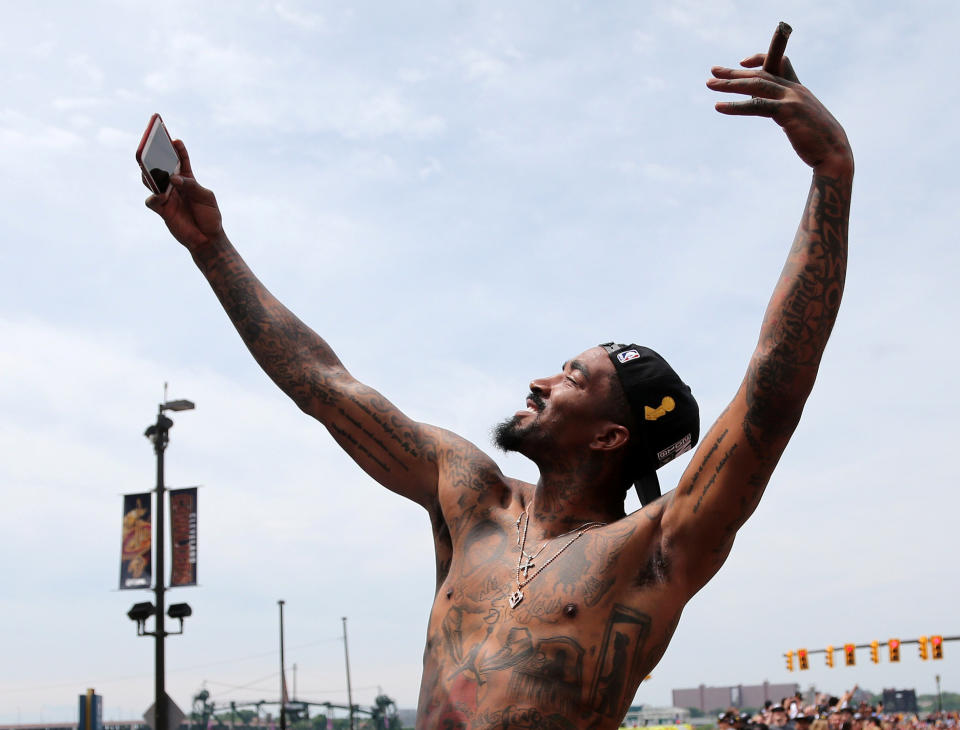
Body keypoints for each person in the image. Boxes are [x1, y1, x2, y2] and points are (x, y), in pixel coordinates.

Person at [145, 44, 852, 730]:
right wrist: (212, 251)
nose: (542, 382)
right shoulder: (469, 494)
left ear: (611, 435)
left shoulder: (652, 552)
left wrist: (830, 172)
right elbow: (324, 386)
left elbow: (770, 395)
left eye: (573, 378)